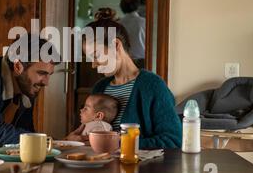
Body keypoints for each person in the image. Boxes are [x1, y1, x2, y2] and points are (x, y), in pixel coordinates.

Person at [67, 8, 182, 149]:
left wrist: (120, 143)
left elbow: (174, 140)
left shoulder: (152, 86)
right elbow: (90, 134)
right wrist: (75, 140)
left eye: (96, 55)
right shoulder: (100, 87)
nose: (93, 64)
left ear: (116, 45)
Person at [119, 0, 146, 64]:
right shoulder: (145, 22)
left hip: (124, 61)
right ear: (137, 6)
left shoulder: (118, 24)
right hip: (143, 61)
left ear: (122, 8)